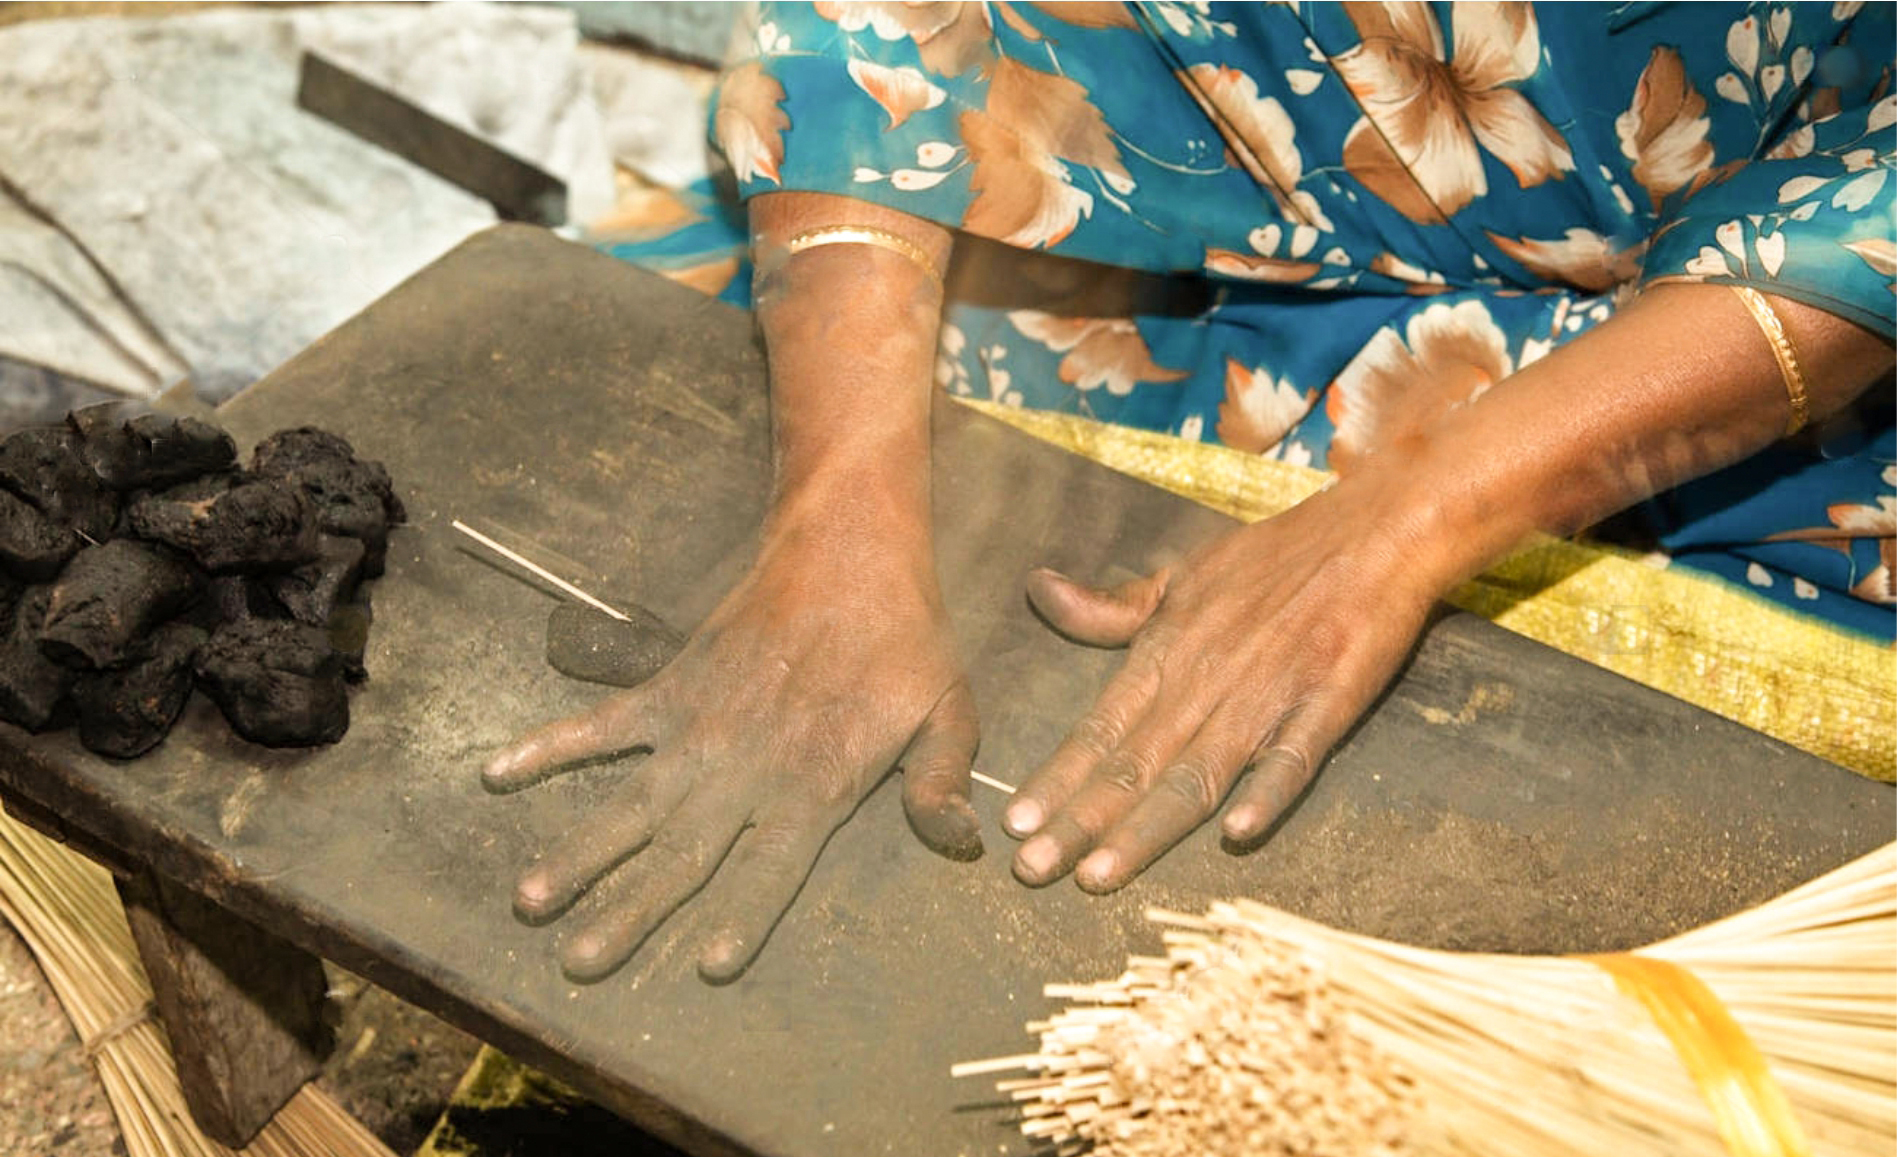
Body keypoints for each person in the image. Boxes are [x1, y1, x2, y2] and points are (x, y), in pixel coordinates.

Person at [484, 1, 1895, 984]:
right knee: (775, 387)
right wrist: (835, 527)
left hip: (1753, 330)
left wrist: (1404, 521)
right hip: (1169, 198)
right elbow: (873, 31)